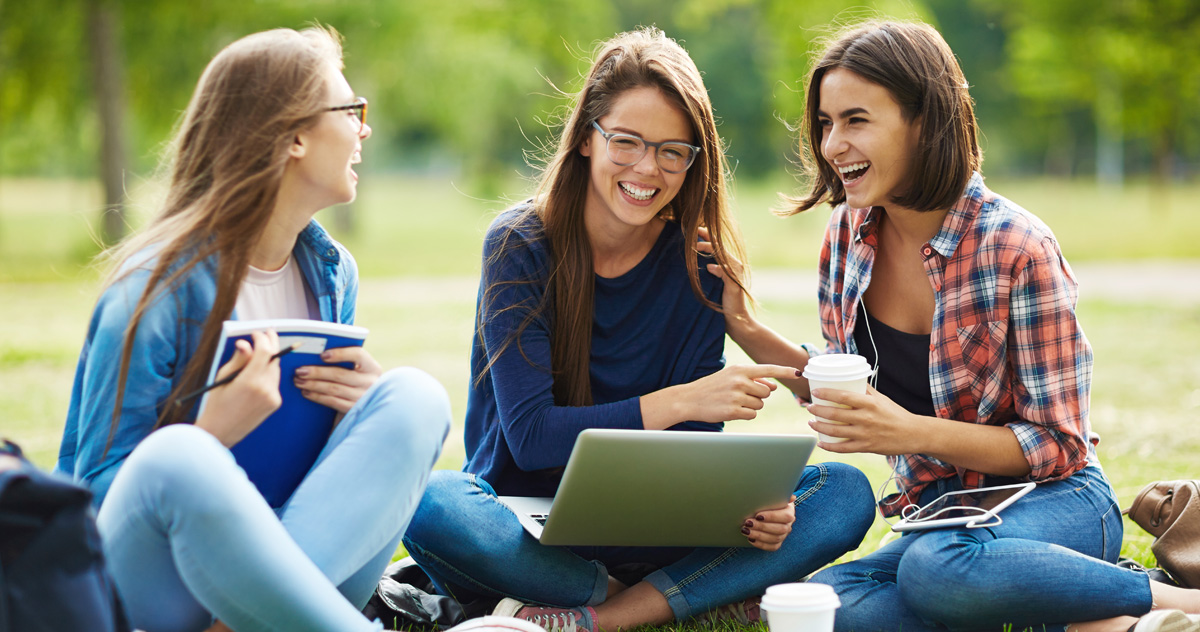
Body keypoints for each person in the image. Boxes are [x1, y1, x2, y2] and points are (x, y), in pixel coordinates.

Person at [705, 19, 1200, 632]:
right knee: (829, 607)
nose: (833, 145)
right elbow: (849, 393)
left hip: (1059, 501)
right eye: (826, 124)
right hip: (944, 517)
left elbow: (1060, 445)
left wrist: (914, 432)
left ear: (924, 120)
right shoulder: (848, 238)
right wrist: (741, 321)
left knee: (939, 570)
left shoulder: (1016, 245)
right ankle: (1082, 618)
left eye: (856, 120)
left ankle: (1167, 602)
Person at [400, 27, 875, 632]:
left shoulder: (696, 265)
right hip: (526, 526)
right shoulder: (519, 245)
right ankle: (667, 598)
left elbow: (687, 460)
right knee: (430, 502)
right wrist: (681, 400)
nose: (647, 168)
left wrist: (754, 511)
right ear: (586, 141)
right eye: (626, 142)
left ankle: (593, 618)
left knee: (842, 492)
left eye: (673, 151)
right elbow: (533, 439)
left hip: (656, 534)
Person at [54, 26, 451, 632]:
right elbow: (96, 501)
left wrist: (355, 419)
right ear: (293, 135)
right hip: (155, 580)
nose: (364, 128)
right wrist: (212, 432)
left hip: (274, 570)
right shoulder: (155, 290)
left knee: (414, 397)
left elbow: (323, 485)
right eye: (352, 110)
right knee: (180, 457)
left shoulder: (332, 273)